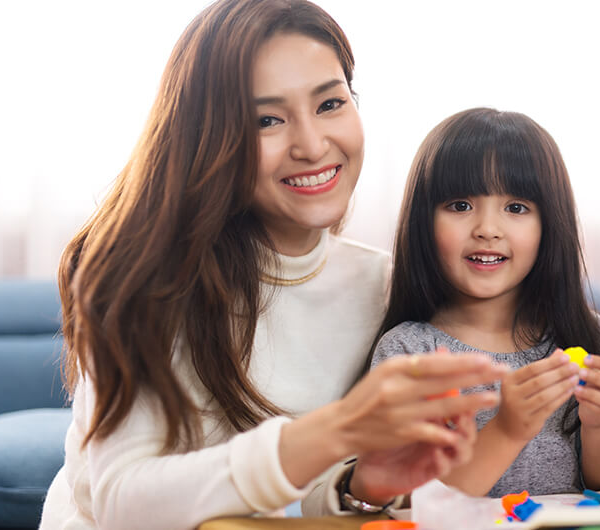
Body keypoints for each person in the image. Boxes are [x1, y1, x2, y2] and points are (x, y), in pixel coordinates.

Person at [39, 1, 507, 528]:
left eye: (330, 104)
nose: (311, 145)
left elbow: (294, 498)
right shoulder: (142, 278)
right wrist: (337, 429)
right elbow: (122, 503)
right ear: (208, 137)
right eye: (267, 119)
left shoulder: (382, 286)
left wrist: (360, 487)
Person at [370, 108, 600, 497]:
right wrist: (507, 430)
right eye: (461, 205)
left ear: (549, 224)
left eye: (516, 208)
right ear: (423, 221)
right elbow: (411, 502)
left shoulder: (584, 335)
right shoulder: (409, 353)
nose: (488, 230)